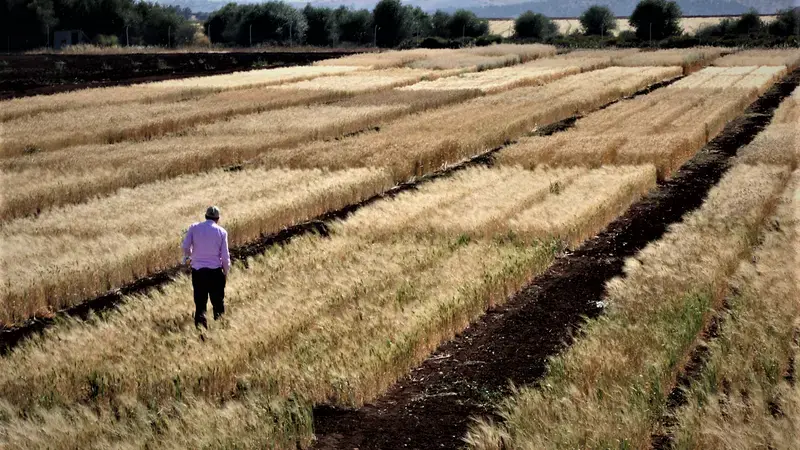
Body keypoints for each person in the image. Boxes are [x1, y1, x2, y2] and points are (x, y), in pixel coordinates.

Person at [182, 206, 230, 329]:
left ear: (205, 216)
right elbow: (225, 257)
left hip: (198, 272)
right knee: (218, 303)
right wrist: (225, 273)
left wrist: (190, 256)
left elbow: (185, 246)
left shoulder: (194, 228)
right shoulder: (222, 232)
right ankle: (220, 330)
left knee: (200, 304)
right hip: (215, 272)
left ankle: (200, 332)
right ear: (217, 219)